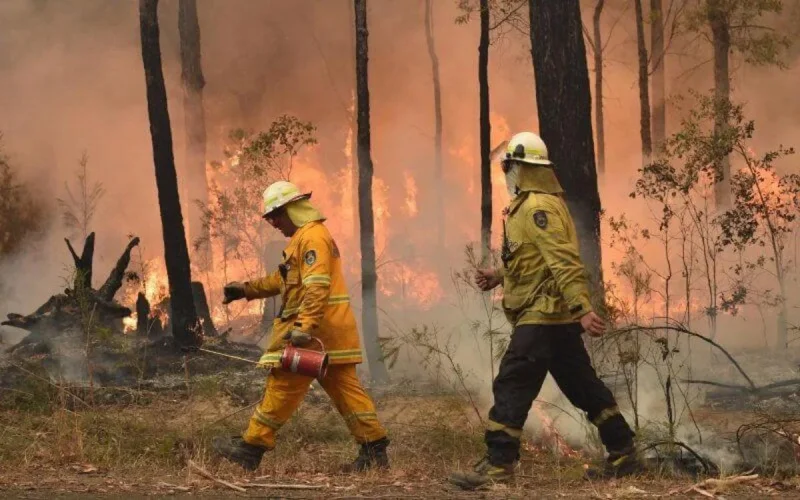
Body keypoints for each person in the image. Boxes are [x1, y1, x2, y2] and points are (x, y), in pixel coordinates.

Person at [449, 132, 641, 490]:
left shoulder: (537, 207)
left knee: (511, 384)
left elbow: (562, 260)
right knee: (582, 385)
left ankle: (498, 468)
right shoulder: (536, 204)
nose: (506, 173)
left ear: (521, 167)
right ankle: (624, 451)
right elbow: (533, 260)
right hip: (555, 317)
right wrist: (500, 275)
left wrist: (583, 307)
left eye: (509, 166)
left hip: (543, 314)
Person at [213, 180, 389, 472]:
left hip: (313, 334)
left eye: (276, 216)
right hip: (330, 334)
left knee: (282, 383)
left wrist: (304, 328)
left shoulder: (313, 238)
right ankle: (374, 450)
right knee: (347, 392)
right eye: (270, 218)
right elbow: (282, 281)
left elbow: (317, 286)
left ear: (292, 209)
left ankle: (251, 447)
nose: (274, 223)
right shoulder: (302, 239)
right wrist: (245, 290)